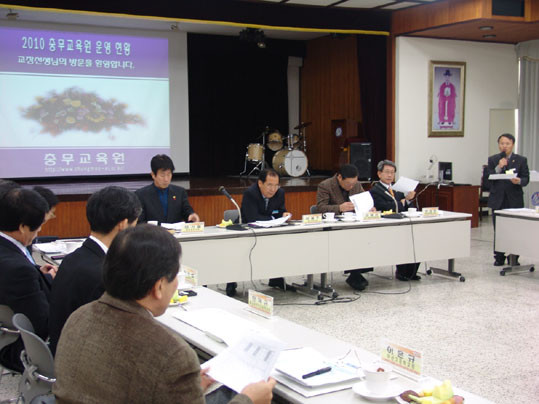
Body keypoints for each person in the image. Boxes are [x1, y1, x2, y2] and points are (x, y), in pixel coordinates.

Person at [53, 225, 276, 404]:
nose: (177, 283)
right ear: (159, 287)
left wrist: (183, 388)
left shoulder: (79, 317)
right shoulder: (171, 353)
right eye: (175, 275)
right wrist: (249, 400)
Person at [48, 186, 142, 355]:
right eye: (134, 225)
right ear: (122, 224)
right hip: (81, 359)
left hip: (61, 349)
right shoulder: (104, 275)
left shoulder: (72, 258)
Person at [0, 188, 57, 372]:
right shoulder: (19, 270)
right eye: (38, 226)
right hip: (23, 349)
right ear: (23, 227)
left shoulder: (9, 254)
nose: (40, 230)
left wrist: (41, 275)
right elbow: (43, 324)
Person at [316, 164, 372, 291]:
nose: (351, 187)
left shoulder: (356, 185)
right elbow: (320, 208)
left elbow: (364, 200)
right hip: (334, 227)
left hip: (353, 224)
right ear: (339, 177)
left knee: (365, 239)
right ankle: (355, 275)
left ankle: (356, 273)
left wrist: (369, 207)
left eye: (353, 184)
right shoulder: (325, 185)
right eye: (348, 184)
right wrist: (339, 208)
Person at [237, 169, 292, 296]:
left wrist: (284, 214)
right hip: (247, 230)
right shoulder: (250, 193)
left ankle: (276, 278)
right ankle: (231, 282)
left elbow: (280, 211)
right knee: (238, 252)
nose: (273, 189)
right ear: (260, 183)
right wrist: (274, 218)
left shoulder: (280, 193)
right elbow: (252, 218)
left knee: (279, 246)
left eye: (276, 185)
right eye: (269, 185)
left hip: (269, 230)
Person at [370, 160, 421, 281]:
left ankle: (411, 272)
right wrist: (402, 202)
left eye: (392, 173)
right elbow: (385, 207)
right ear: (379, 174)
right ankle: (402, 272)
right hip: (387, 225)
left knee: (416, 239)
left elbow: (407, 206)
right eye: (387, 172)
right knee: (401, 244)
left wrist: (407, 200)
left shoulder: (398, 189)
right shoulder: (375, 190)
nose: (390, 175)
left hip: (403, 223)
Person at [487, 133, 530, 266]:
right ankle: (499, 257)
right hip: (498, 199)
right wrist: (499, 167)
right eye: (502, 143)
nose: (504, 146)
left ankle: (514, 257)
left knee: (515, 229)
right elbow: (488, 178)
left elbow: (526, 178)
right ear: (498, 145)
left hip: (514, 199)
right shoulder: (493, 159)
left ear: (512, 144)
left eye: (507, 143)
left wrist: (519, 181)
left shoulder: (521, 160)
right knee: (499, 229)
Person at [136, 154, 200, 223]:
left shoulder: (180, 192)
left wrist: (191, 214)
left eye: (169, 174)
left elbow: (187, 210)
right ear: (153, 175)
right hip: (153, 230)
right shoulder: (141, 195)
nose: (166, 179)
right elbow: (140, 222)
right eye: (162, 175)